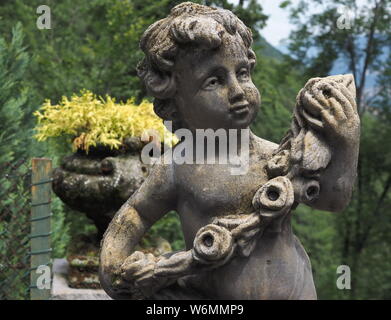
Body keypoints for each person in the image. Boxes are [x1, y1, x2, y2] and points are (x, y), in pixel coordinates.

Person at [98, 2, 360, 300]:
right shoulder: (177, 167)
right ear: (175, 96)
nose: (238, 91)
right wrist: (114, 267)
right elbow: (136, 214)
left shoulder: (277, 157)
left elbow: (331, 200)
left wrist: (346, 141)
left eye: (243, 73)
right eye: (215, 81)